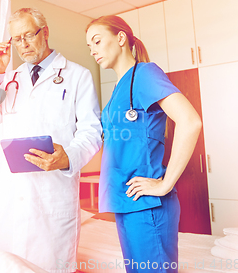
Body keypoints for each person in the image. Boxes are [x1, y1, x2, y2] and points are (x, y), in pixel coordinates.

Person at [0, 7, 103, 273]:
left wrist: (68, 158)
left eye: (28, 35)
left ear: (45, 32)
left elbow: (92, 131)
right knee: (7, 266)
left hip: (53, 193)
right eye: (16, 39)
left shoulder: (77, 75)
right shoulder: (9, 79)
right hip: (14, 194)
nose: (23, 45)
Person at [85, 15, 202, 273]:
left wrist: (165, 184)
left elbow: (190, 121)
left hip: (148, 203)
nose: (92, 50)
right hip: (126, 201)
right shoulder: (118, 89)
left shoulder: (145, 73)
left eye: (96, 41)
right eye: (88, 46)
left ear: (121, 38)